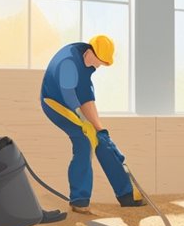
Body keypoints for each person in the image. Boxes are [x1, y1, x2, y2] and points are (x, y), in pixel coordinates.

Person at [41, 36, 145, 211]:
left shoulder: (86, 63)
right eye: (100, 62)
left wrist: (101, 129)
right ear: (91, 52)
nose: (99, 66)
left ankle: (126, 195)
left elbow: (87, 99)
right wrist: (84, 122)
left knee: (101, 140)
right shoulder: (69, 63)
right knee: (83, 141)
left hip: (72, 103)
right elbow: (69, 97)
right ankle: (79, 199)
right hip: (54, 102)